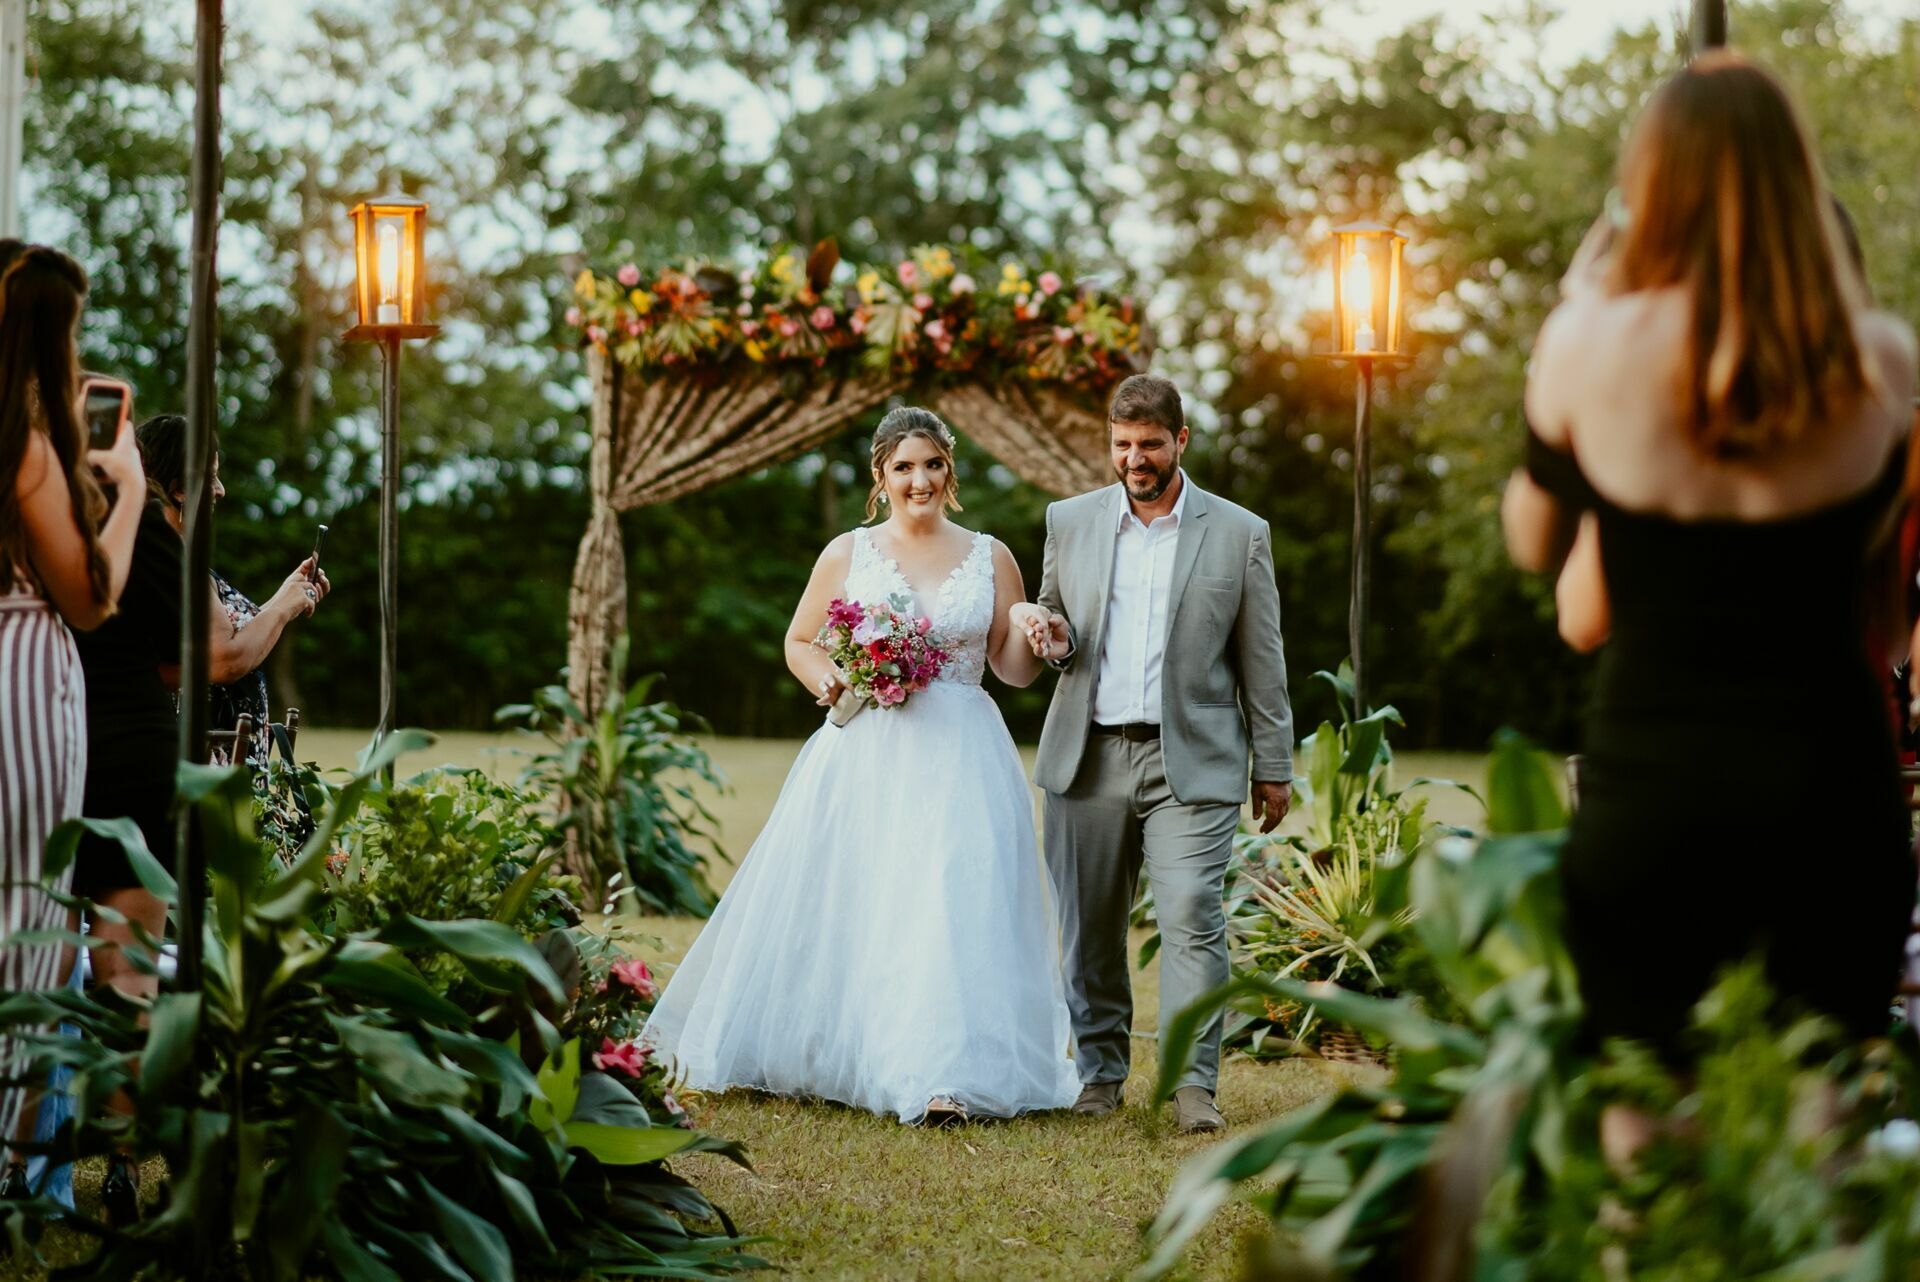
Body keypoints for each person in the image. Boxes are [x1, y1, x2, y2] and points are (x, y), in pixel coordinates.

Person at [1502, 52, 1917, 1058]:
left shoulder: (1587, 346)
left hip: (1657, 789)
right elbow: (1883, 606)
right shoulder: (1880, 361)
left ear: (1651, 183)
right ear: (1797, 178)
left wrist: (1577, 315)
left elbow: (1531, 541)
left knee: (1644, 1111)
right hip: (1833, 797)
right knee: (1821, 1113)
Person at [644, 406, 1079, 1125]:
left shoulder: (991, 555)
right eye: (903, 467)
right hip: (870, 749)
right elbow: (800, 641)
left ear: (950, 471)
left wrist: (1035, 638)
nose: (920, 481)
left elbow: (1010, 669)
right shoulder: (849, 552)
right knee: (871, 899)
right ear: (880, 475)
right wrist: (834, 679)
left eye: (932, 464)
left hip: (964, 753)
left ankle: (942, 1076)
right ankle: (850, 1052)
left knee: (949, 900)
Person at [1014, 372, 1294, 1135]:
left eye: (1150, 445)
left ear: (1181, 441)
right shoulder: (1069, 520)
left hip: (1191, 763)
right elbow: (1057, 625)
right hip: (1088, 757)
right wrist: (1054, 636)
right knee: (1089, 927)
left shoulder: (1240, 533)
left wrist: (1273, 765)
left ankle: (1192, 1084)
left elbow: (1263, 658)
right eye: (1122, 444)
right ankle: (1101, 1073)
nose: (1135, 459)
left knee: (1193, 913)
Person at [0, 242, 146, 1197]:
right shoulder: (23, 447)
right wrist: (125, 490)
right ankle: (14, 1166)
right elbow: (90, 596)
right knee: (31, 910)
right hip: (21, 673)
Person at [133, 413, 329, 765]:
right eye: (211, 477)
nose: (221, 490)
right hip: (201, 767)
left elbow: (219, 643)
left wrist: (287, 594)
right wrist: (281, 609)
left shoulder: (163, 555)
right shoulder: (173, 562)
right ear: (179, 488)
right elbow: (224, 659)